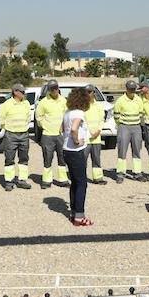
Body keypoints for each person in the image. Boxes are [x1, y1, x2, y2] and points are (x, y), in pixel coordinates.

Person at [62, 86, 94, 225]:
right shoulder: (79, 113)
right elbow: (74, 128)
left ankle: (73, 212)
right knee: (82, 183)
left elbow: (62, 129)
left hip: (66, 150)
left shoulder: (68, 112)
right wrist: (77, 140)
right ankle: (79, 216)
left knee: (74, 182)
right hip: (75, 151)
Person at [0, 83, 34, 190]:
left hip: (24, 134)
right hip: (11, 135)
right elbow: (2, 120)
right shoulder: (7, 104)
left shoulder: (26, 103)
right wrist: (10, 129)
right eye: (22, 92)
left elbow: (28, 117)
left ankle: (22, 180)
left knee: (24, 158)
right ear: (15, 92)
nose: (24, 94)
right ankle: (9, 181)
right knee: (9, 158)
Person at [36, 80, 70, 187]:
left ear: (58, 87)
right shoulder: (43, 102)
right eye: (52, 88)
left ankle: (63, 180)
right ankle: (46, 181)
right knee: (47, 158)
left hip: (61, 135)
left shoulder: (64, 101)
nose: (54, 90)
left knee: (62, 158)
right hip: (47, 135)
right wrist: (45, 126)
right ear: (49, 89)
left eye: (56, 87)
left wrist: (64, 127)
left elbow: (67, 115)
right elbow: (39, 117)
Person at [113, 79, 145, 181]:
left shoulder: (138, 99)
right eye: (130, 89)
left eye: (133, 89)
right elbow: (116, 115)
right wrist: (121, 124)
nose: (132, 91)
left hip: (136, 126)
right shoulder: (120, 100)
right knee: (122, 150)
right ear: (126, 89)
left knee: (137, 150)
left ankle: (137, 173)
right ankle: (120, 174)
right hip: (124, 126)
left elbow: (141, 113)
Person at [84, 86, 107, 184]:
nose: (88, 94)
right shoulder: (81, 106)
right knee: (83, 159)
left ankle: (98, 178)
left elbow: (102, 120)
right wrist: (88, 133)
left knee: (96, 159)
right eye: (86, 92)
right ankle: (82, 178)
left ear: (94, 93)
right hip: (85, 138)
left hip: (96, 138)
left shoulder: (99, 106)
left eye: (90, 92)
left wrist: (98, 131)